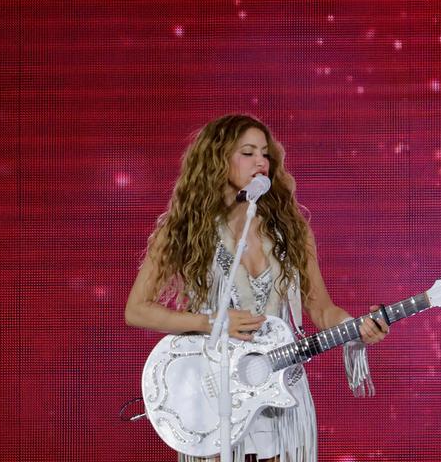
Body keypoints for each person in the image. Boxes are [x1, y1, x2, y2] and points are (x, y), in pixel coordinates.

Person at [125, 114, 389, 462]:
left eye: (264, 153)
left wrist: (358, 329)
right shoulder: (183, 231)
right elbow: (137, 310)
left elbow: (321, 309)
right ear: (217, 160)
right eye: (247, 153)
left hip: (278, 390)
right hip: (216, 392)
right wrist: (211, 322)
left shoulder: (291, 231)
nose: (261, 162)